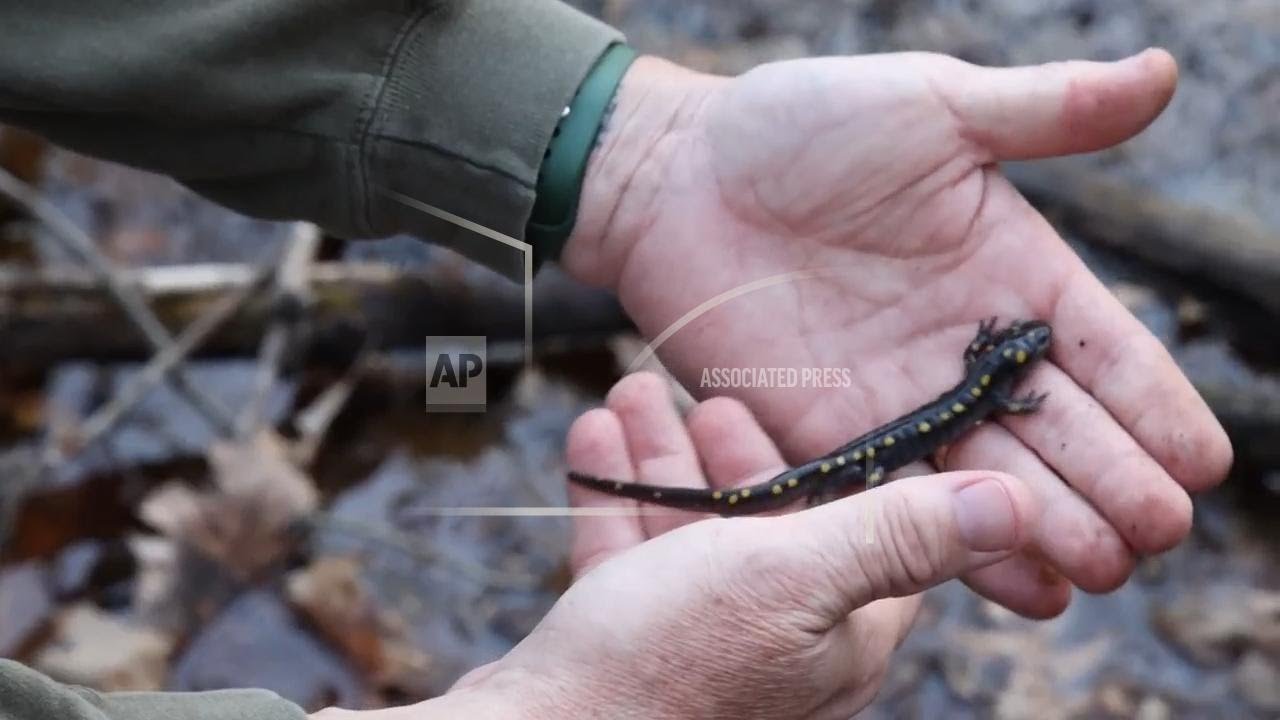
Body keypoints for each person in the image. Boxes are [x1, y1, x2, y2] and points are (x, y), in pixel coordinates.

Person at [0, 1, 1231, 718]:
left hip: (905, 425)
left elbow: (987, 380)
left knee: (805, 468)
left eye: (1010, 355)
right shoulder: (989, 384)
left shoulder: (983, 379)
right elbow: (992, 384)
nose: (1013, 357)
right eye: (1013, 351)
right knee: (813, 468)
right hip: (904, 433)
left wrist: (641, 158)